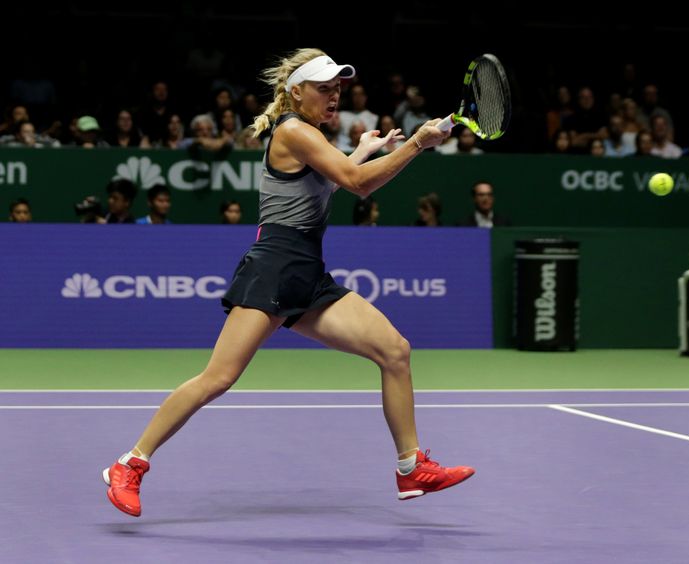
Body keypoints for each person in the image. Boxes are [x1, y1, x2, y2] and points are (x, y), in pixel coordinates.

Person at [102, 48, 474, 517]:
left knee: (395, 351)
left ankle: (410, 467)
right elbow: (359, 184)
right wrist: (417, 142)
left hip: (308, 274)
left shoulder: (309, 135)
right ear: (296, 92)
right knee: (218, 378)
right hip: (274, 267)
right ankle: (129, 464)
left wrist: (361, 152)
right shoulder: (295, 130)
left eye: (337, 88)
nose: (333, 95)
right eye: (324, 87)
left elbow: (328, 184)